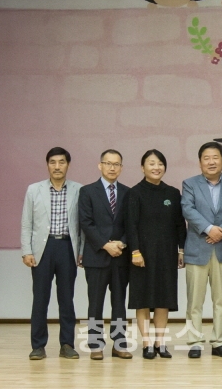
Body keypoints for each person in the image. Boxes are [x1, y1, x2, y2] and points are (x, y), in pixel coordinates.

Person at [21, 147, 84, 360]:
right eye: (53, 162)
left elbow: (82, 226)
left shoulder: (79, 190)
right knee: (40, 299)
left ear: (68, 165)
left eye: (61, 162)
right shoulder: (34, 190)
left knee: (67, 299)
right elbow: (26, 223)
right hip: (43, 249)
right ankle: (38, 346)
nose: (57, 166)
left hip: (67, 248)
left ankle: (67, 344)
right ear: (47, 164)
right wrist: (26, 251)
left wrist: (81, 251)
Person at [126, 149, 186, 359]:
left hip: (167, 253)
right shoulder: (134, 193)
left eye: (160, 163)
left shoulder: (172, 193)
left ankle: (160, 342)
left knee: (164, 298)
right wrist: (135, 251)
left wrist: (181, 249)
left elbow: (180, 224)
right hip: (142, 255)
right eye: (151, 163)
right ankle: (146, 343)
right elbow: (131, 225)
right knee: (142, 299)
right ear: (142, 168)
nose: (156, 167)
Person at [181, 142, 222, 359]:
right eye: (206, 158)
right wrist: (209, 229)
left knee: (221, 300)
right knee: (194, 301)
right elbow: (188, 209)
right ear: (200, 161)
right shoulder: (190, 184)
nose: (211, 162)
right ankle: (194, 342)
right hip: (197, 248)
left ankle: (219, 341)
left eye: (215, 157)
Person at [78, 149, 132, 360]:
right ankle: (95, 345)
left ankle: (119, 344)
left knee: (119, 303)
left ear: (121, 168)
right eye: (108, 163)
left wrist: (122, 243)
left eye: (116, 164)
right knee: (95, 303)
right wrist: (104, 244)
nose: (112, 168)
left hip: (120, 256)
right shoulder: (87, 191)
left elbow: (131, 224)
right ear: (100, 165)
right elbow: (86, 222)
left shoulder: (128, 193)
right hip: (96, 256)